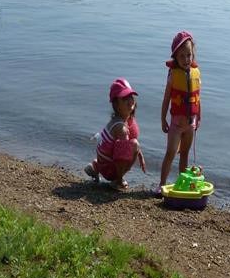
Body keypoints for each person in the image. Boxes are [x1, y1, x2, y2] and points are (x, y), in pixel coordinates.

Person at [155, 31, 201, 195]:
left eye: (189, 55)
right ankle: (161, 184)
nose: (186, 59)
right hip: (176, 124)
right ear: (175, 56)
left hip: (190, 124)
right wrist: (162, 119)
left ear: (193, 54)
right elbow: (166, 99)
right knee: (171, 153)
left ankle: (183, 183)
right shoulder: (173, 75)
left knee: (185, 155)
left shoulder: (195, 73)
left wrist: (199, 117)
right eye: (182, 56)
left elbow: (197, 98)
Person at [84, 78, 146, 191]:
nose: (130, 101)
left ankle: (95, 167)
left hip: (103, 162)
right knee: (133, 145)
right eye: (125, 98)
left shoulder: (123, 120)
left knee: (130, 145)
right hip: (109, 170)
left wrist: (140, 154)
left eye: (131, 97)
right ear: (116, 105)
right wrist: (118, 177)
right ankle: (117, 180)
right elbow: (123, 155)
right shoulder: (120, 127)